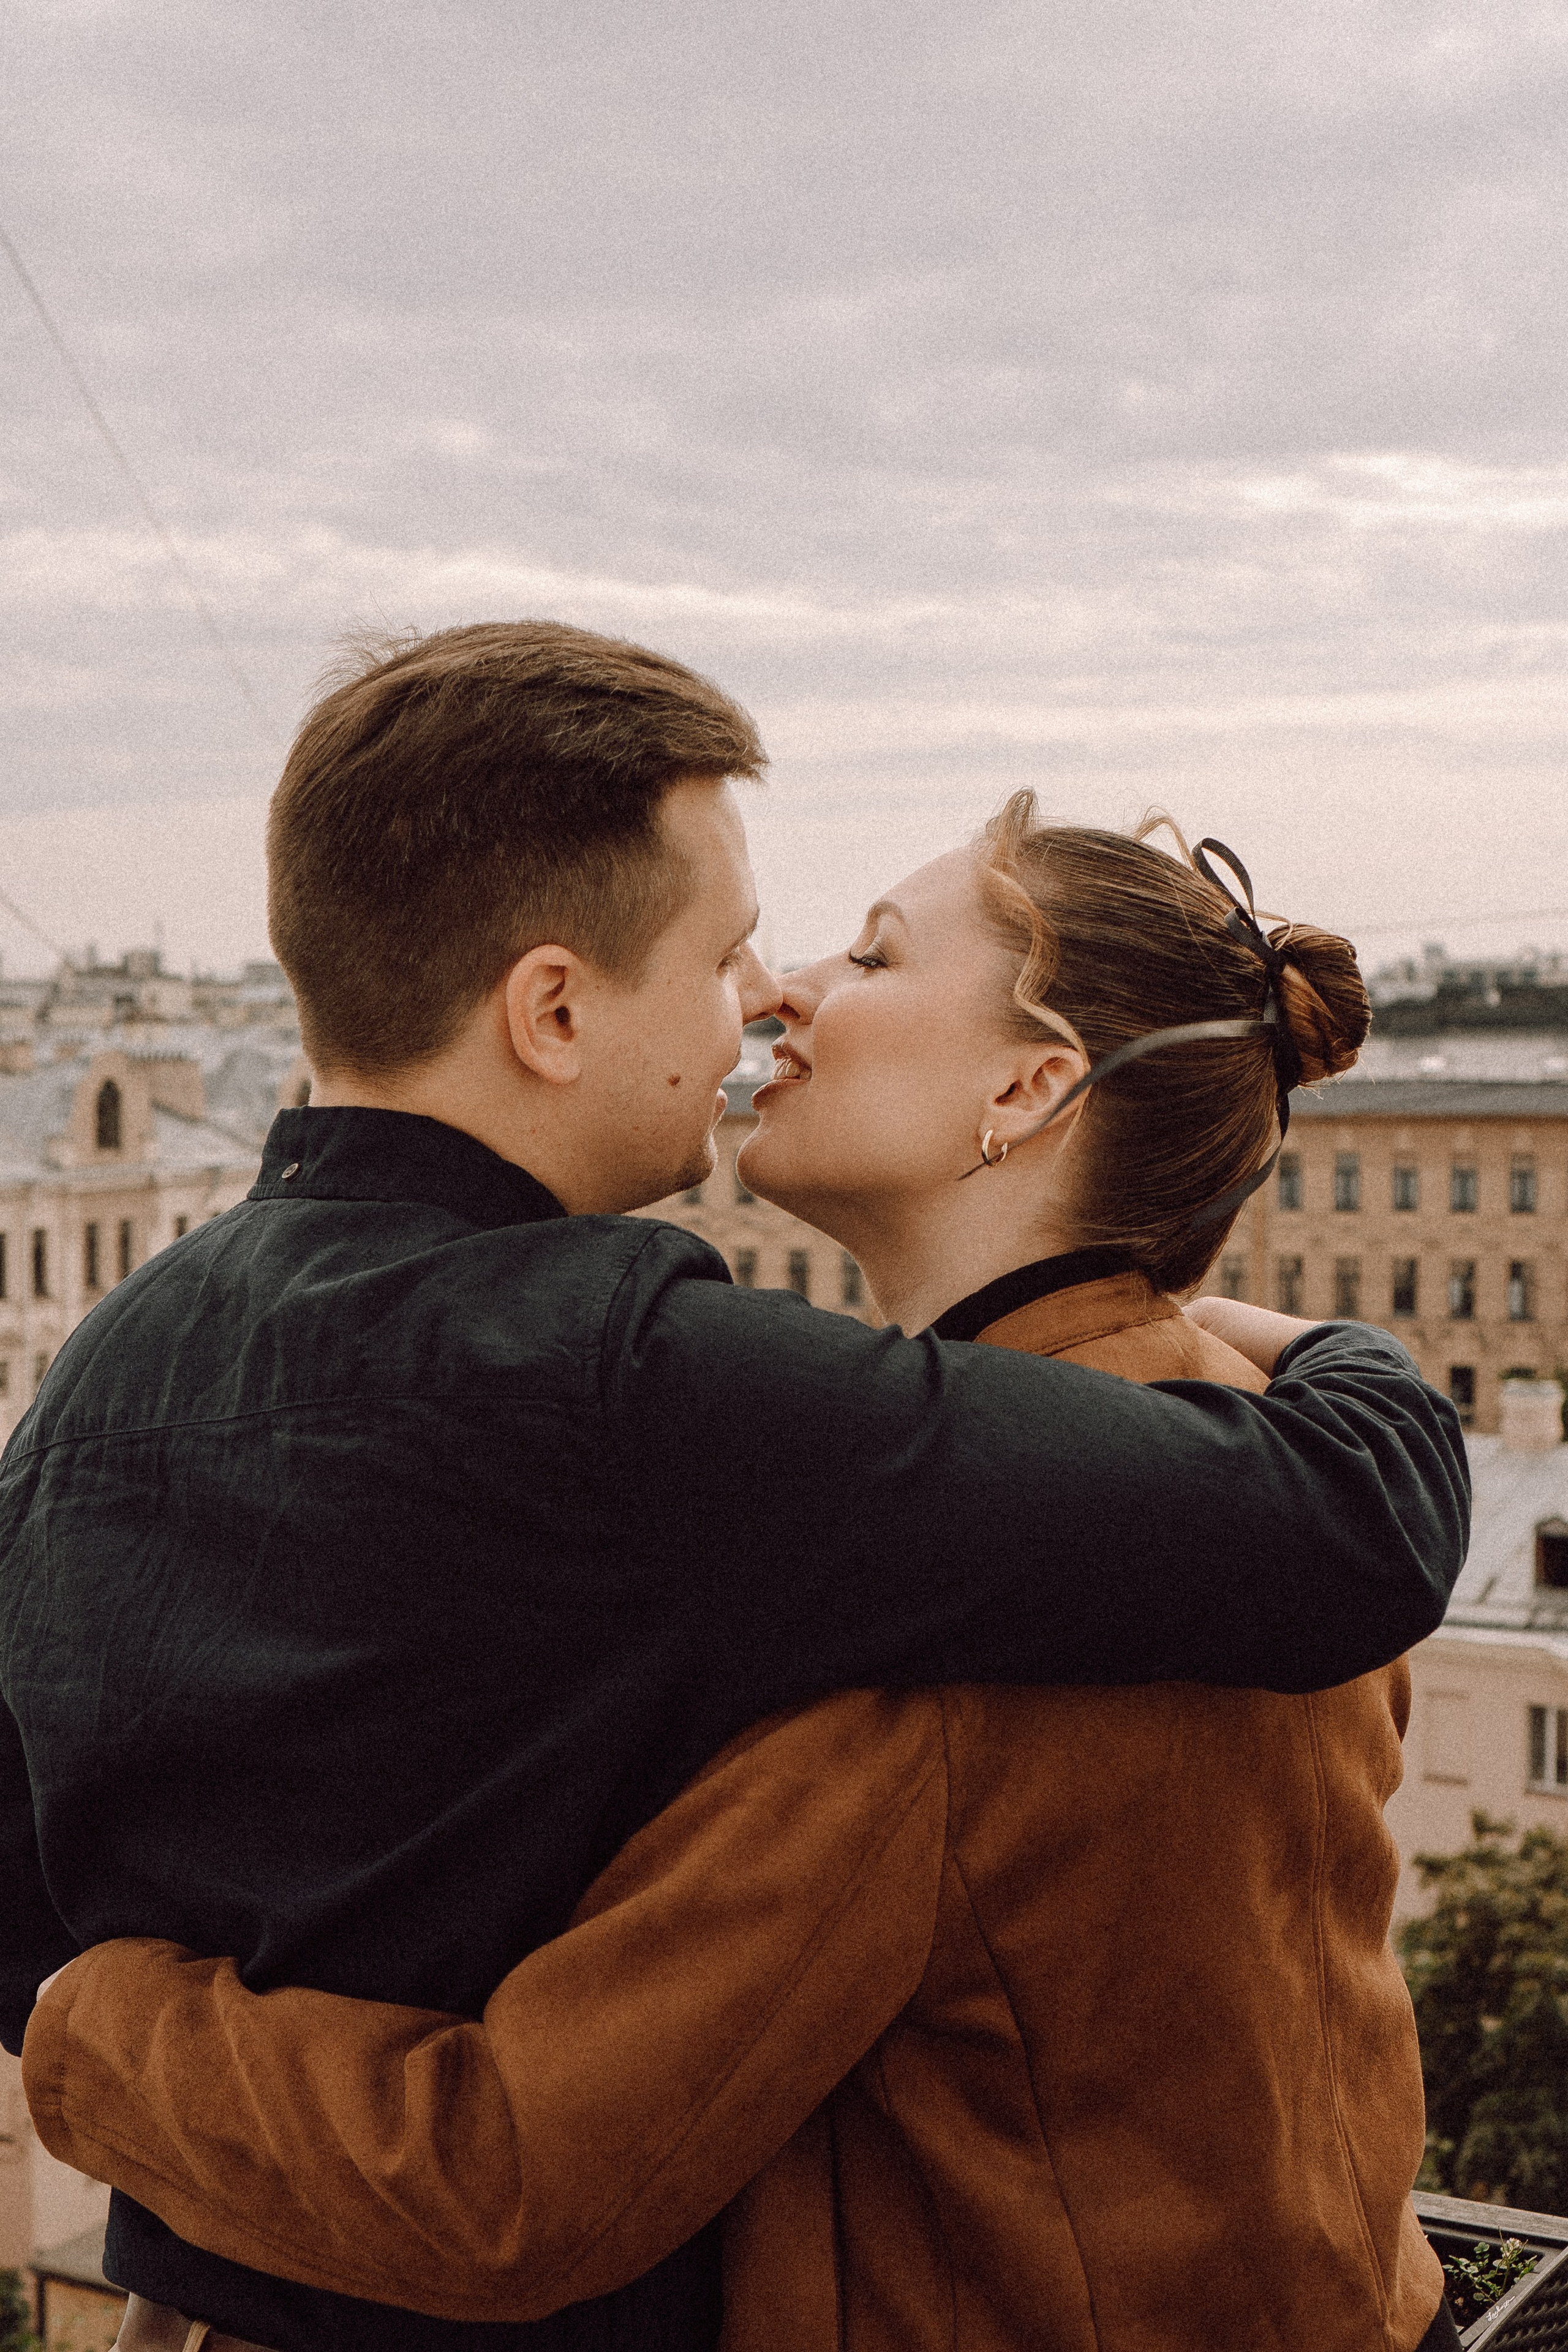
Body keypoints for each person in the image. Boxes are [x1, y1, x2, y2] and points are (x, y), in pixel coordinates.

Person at [3, 624, 1465, 2352]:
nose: (770, 996)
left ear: (1033, 1085)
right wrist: (1334, 1356)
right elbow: (1345, 1520)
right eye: (738, 953)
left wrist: (86, 2030)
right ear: (553, 1008)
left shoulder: (105, 1366)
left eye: (858, 953)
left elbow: (505, 2156)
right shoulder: (740, 1413)